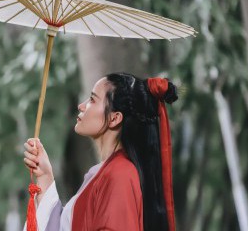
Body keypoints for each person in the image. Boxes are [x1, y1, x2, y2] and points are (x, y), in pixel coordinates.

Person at [23, 73, 178, 231]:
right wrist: (45, 176)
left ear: (114, 118)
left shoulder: (120, 175)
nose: (81, 106)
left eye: (92, 99)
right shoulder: (105, 172)